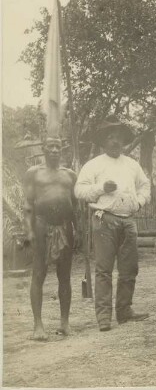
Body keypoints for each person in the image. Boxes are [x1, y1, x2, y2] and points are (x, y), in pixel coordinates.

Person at [74, 118, 151, 332]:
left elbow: (145, 186)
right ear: (103, 141)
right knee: (104, 270)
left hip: (128, 221)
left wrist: (140, 201)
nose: (114, 140)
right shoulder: (94, 165)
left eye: (117, 136)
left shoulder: (132, 165)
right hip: (104, 219)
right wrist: (101, 188)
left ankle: (124, 311)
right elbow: (79, 190)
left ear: (123, 140)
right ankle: (104, 317)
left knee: (129, 269)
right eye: (109, 136)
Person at [23, 137, 79, 340]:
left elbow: (75, 206)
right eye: (50, 147)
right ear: (44, 149)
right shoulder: (34, 173)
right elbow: (28, 204)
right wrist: (29, 231)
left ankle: (65, 323)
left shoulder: (70, 175)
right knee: (38, 273)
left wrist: (78, 229)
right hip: (41, 225)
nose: (55, 150)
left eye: (58, 146)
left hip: (65, 227)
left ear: (62, 149)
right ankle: (38, 326)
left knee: (64, 276)